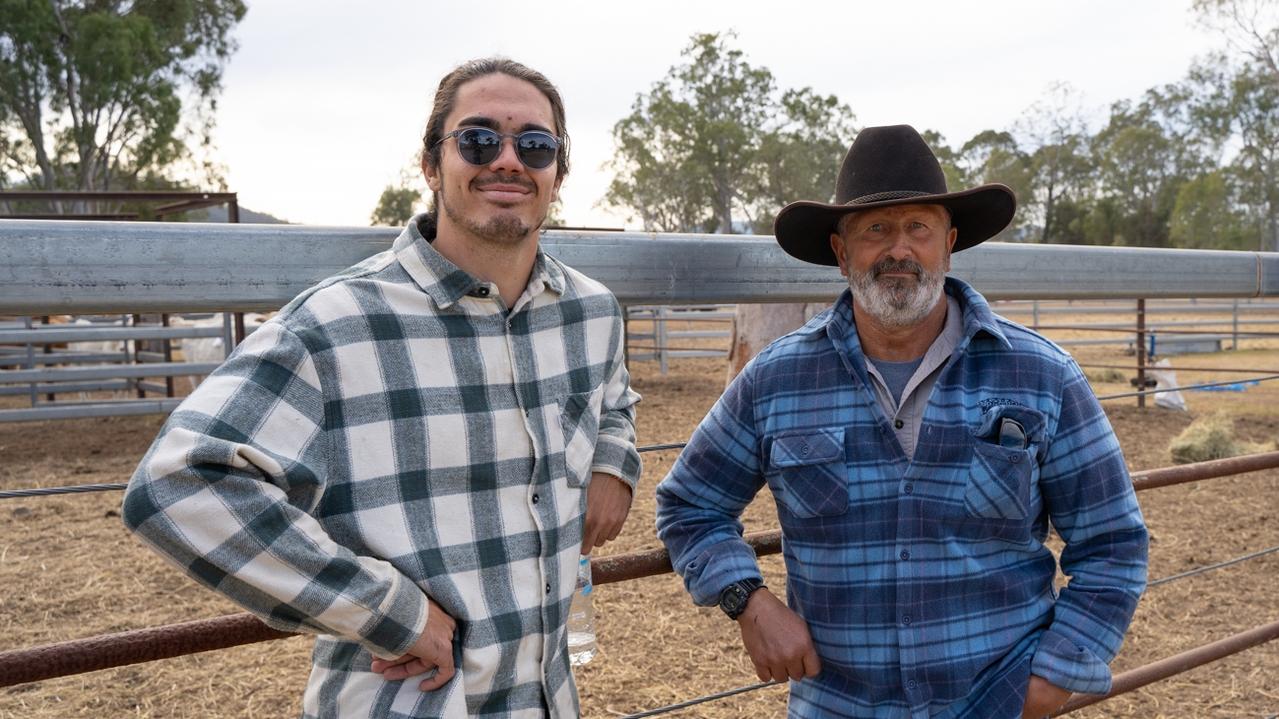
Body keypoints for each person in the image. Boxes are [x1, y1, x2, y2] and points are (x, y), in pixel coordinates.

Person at [123, 57, 641, 719]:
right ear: (430, 165)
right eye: (478, 139)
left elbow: (613, 398)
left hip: (546, 699)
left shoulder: (591, 313)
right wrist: (384, 609)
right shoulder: (339, 323)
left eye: (534, 145)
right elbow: (175, 482)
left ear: (557, 174)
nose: (508, 160)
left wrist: (611, 462)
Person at [655, 125, 1148, 718]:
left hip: (995, 698)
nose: (899, 250)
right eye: (875, 230)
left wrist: (1055, 672)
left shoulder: (1041, 375)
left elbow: (1113, 543)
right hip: (838, 703)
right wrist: (749, 600)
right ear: (841, 253)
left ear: (949, 244)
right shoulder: (776, 380)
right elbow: (690, 504)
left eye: (919, 227)